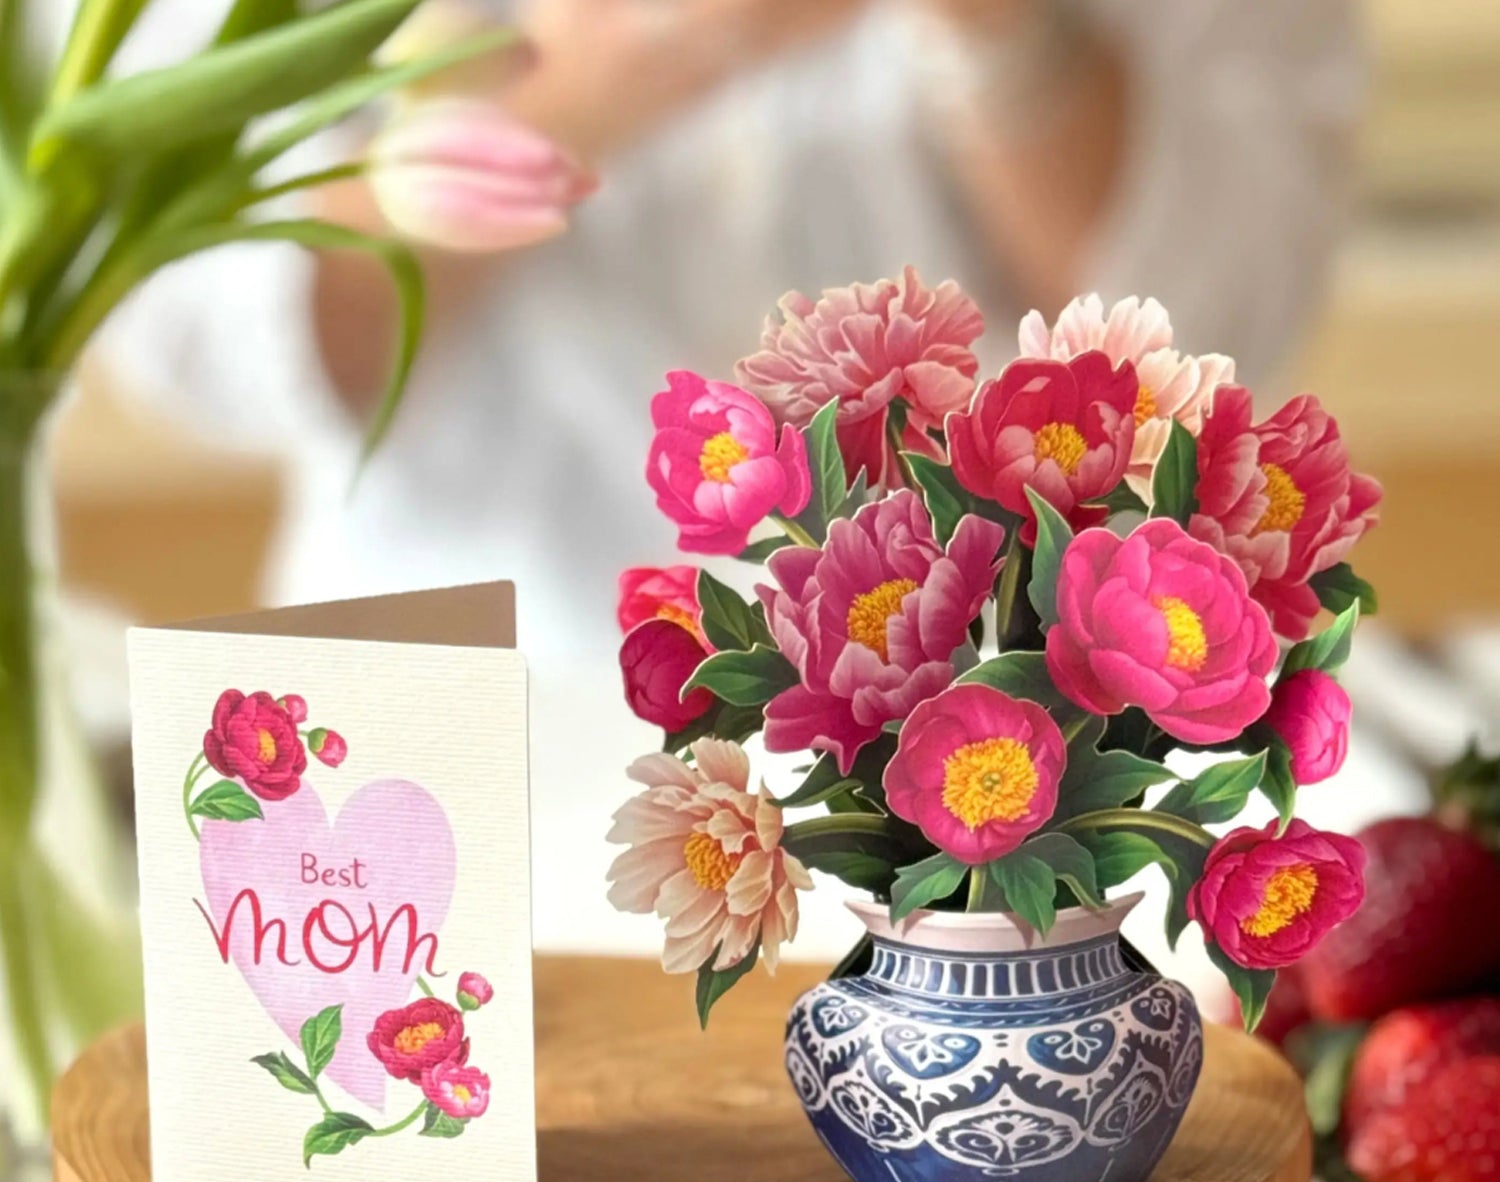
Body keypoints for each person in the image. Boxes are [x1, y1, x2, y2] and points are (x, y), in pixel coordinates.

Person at [105, 0, 1365, 955]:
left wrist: (1006, 37)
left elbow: (1220, 308)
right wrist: (572, 96)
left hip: (989, 756)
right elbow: (170, 300)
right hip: (445, 717)